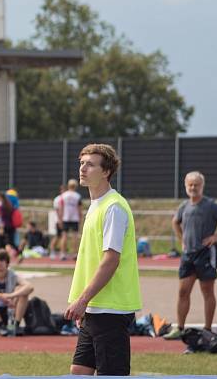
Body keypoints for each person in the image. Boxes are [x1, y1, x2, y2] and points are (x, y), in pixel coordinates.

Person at [65, 144, 142, 377]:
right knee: (79, 371)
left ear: (106, 171)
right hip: (94, 308)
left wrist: (82, 300)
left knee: (112, 375)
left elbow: (110, 261)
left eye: (90, 164)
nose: (83, 168)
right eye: (81, 163)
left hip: (111, 308)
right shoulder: (96, 206)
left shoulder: (113, 208)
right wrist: (84, 304)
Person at [163, 171, 217, 340]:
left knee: (207, 291)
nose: (193, 187)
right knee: (183, 292)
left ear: (202, 186)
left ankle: (208, 329)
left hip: (205, 254)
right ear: (185, 186)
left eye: (196, 184)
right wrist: (182, 240)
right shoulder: (184, 206)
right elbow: (175, 221)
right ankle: (180, 328)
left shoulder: (211, 205)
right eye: (190, 184)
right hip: (188, 255)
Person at [0, 249, 34, 336]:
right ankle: (1, 326)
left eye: (2, 260)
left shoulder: (12, 275)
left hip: (8, 312)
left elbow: (29, 287)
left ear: (7, 263)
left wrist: (11, 295)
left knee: (23, 293)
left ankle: (16, 325)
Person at [59, 179, 83, 261]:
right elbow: (80, 208)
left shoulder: (63, 195)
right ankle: (75, 254)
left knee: (64, 236)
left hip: (65, 218)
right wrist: (80, 218)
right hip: (74, 218)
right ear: (75, 186)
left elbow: (61, 208)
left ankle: (63, 253)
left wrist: (60, 218)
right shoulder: (77, 196)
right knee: (75, 237)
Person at [49, 184, 66, 259]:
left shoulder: (66, 198)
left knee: (61, 236)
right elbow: (57, 210)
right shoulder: (58, 199)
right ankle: (52, 251)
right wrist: (60, 220)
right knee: (58, 236)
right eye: (63, 190)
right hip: (59, 220)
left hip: (65, 220)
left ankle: (61, 252)